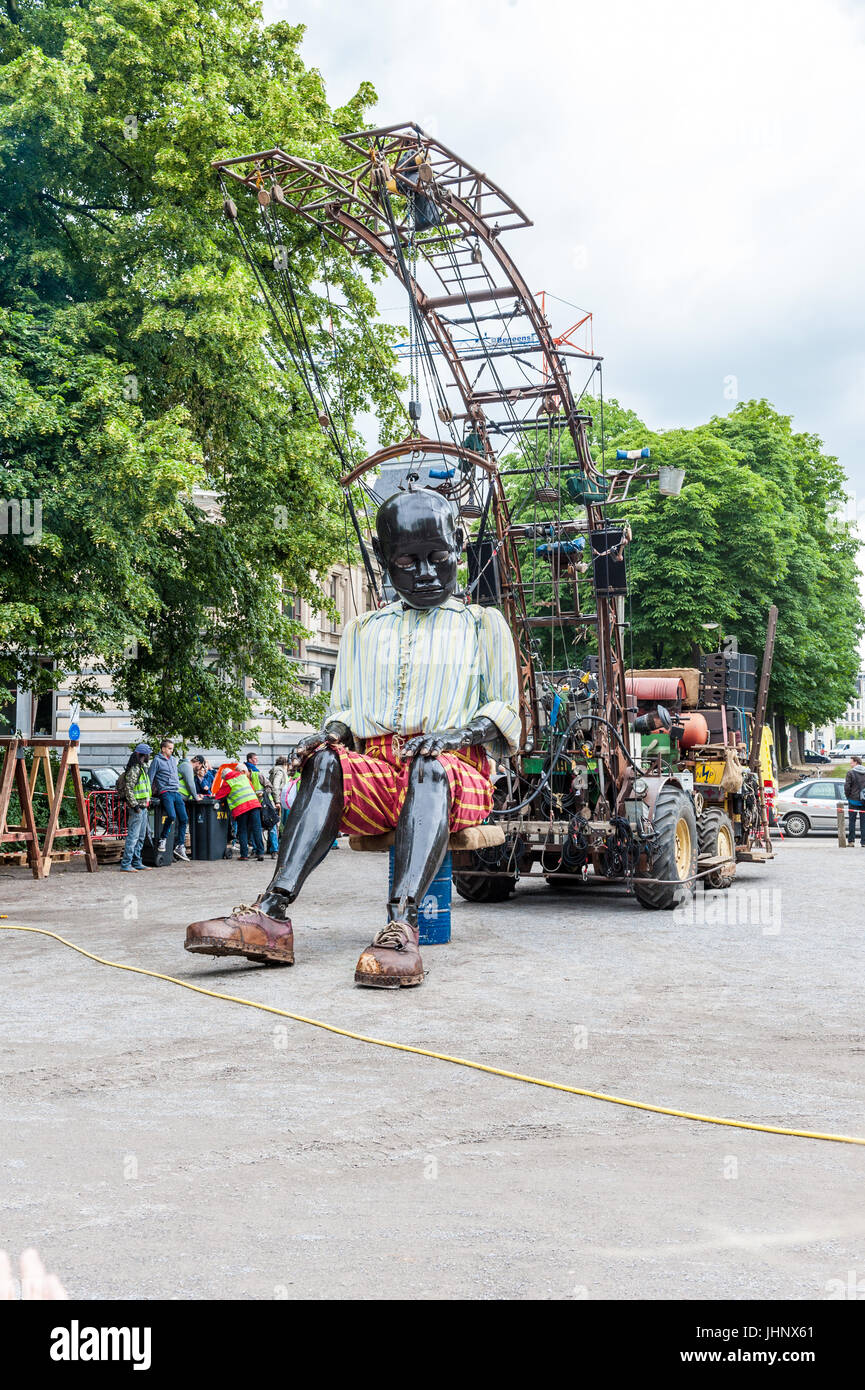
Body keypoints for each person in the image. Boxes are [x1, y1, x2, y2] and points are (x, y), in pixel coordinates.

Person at [186, 488, 519, 987]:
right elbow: (345, 710)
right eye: (408, 561)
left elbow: (503, 711)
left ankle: (400, 928)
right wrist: (325, 736)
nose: (425, 573)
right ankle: (272, 916)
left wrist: (450, 736)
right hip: (383, 772)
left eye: (438, 558)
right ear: (385, 562)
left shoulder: (483, 624)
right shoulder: (363, 629)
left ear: (458, 548)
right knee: (325, 764)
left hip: (458, 772)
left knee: (428, 767)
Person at [213, 760, 265, 861]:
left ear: (224, 777)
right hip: (254, 804)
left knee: (243, 831)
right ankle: (260, 853)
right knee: (256, 829)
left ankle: (244, 855)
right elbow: (252, 788)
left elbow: (219, 796)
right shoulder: (243, 776)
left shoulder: (228, 781)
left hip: (241, 809)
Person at [148, 737, 190, 861]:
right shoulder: (156, 761)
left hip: (176, 792)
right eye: (170, 749)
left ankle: (180, 846)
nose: (172, 751)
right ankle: (163, 838)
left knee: (184, 819)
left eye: (172, 748)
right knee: (171, 816)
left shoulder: (173, 760)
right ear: (163, 749)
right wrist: (148, 795)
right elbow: (150, 778)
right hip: (165, 792)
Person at [117, 743, 153, 872]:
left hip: (143, 807)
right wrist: (135, 805)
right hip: (137, 808)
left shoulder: (141, 767)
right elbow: (129, 789)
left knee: (141, 836)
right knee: (133, 836)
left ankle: (137, 862)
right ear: (143, 754)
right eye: (148, 753)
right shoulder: (135, 769)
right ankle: (126, 864)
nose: (150, 755)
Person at [845, 755, 865, 845]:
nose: (850, 764)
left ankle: (851, 841)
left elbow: (847, 787)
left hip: (853, 800)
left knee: (852, 822)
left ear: (856, 762)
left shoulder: (850, 773)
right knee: (863, 822)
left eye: (851, 762)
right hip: (863, 801)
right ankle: (863, 842)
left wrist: (848, 796)